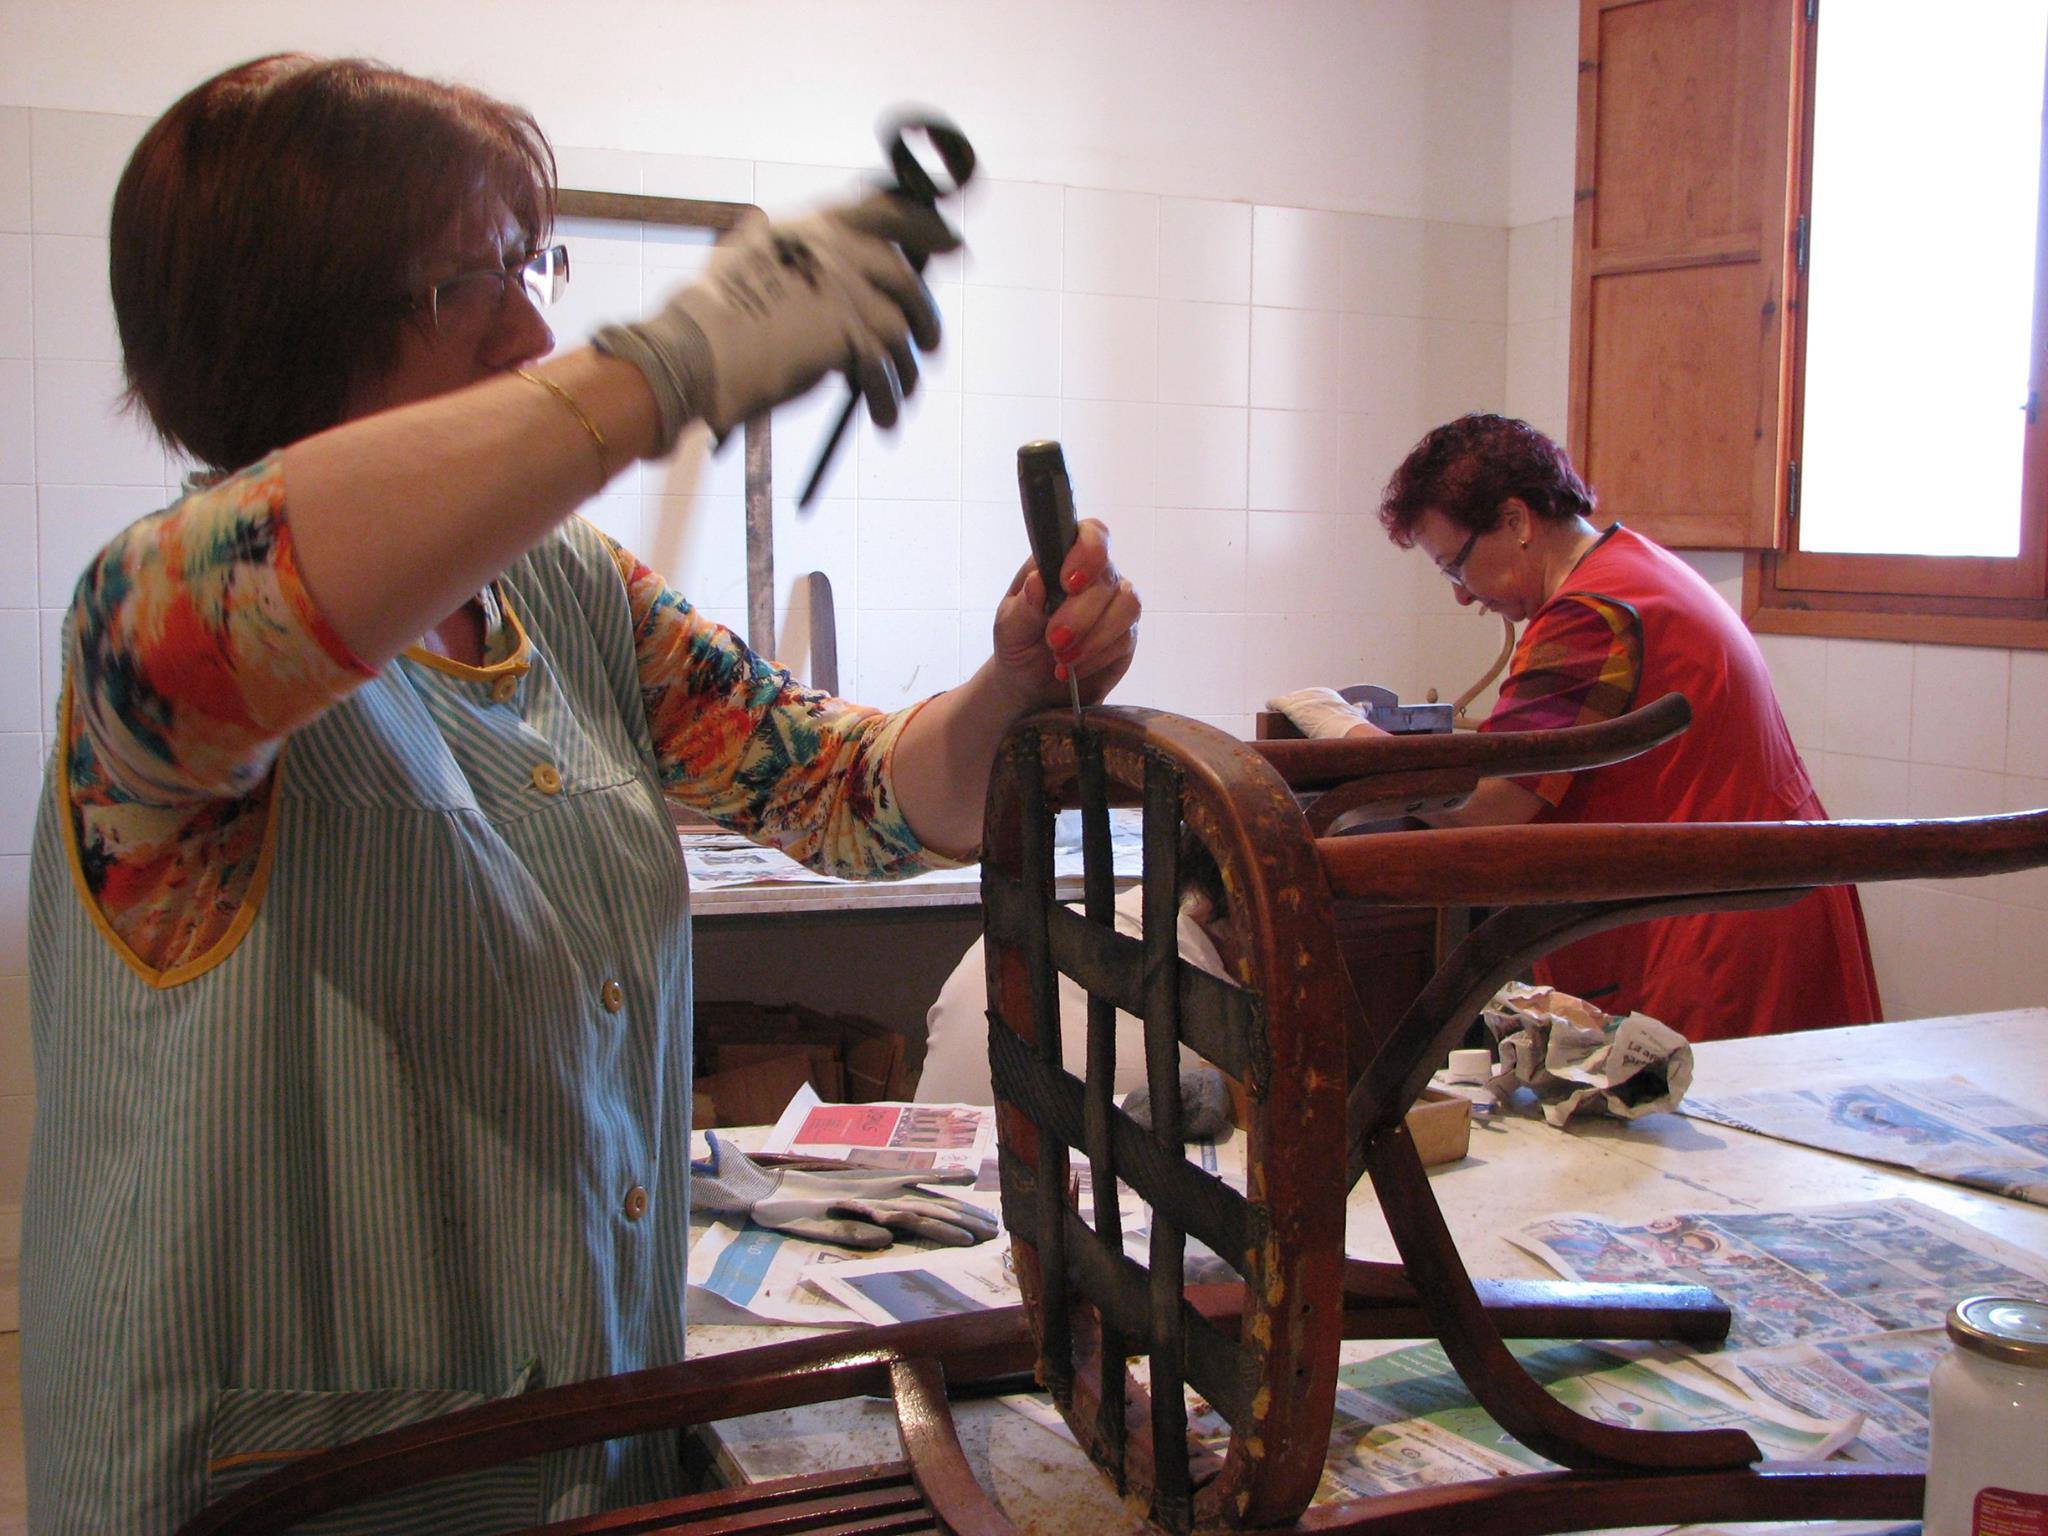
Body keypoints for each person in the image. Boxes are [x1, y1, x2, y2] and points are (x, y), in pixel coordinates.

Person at [21, 55, 1140, 1533]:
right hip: (302, 1481)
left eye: (533, 266)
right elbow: (249, 581)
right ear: (304, 314)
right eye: (477, 280)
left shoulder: (561, 589)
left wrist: (1003, 692)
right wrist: (668, 364)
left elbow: (846, 792)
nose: (537, 325)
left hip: (586, 1431)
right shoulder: (159, 630)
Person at [1269, 413, 1877, 1043]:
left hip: (1719, 930)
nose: (1461, 596)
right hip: (1759, 890)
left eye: (1456, 568)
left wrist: (1346, 736)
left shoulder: (1591, 616)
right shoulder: (1635, 570)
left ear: (1515, 522)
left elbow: (1486, 806)